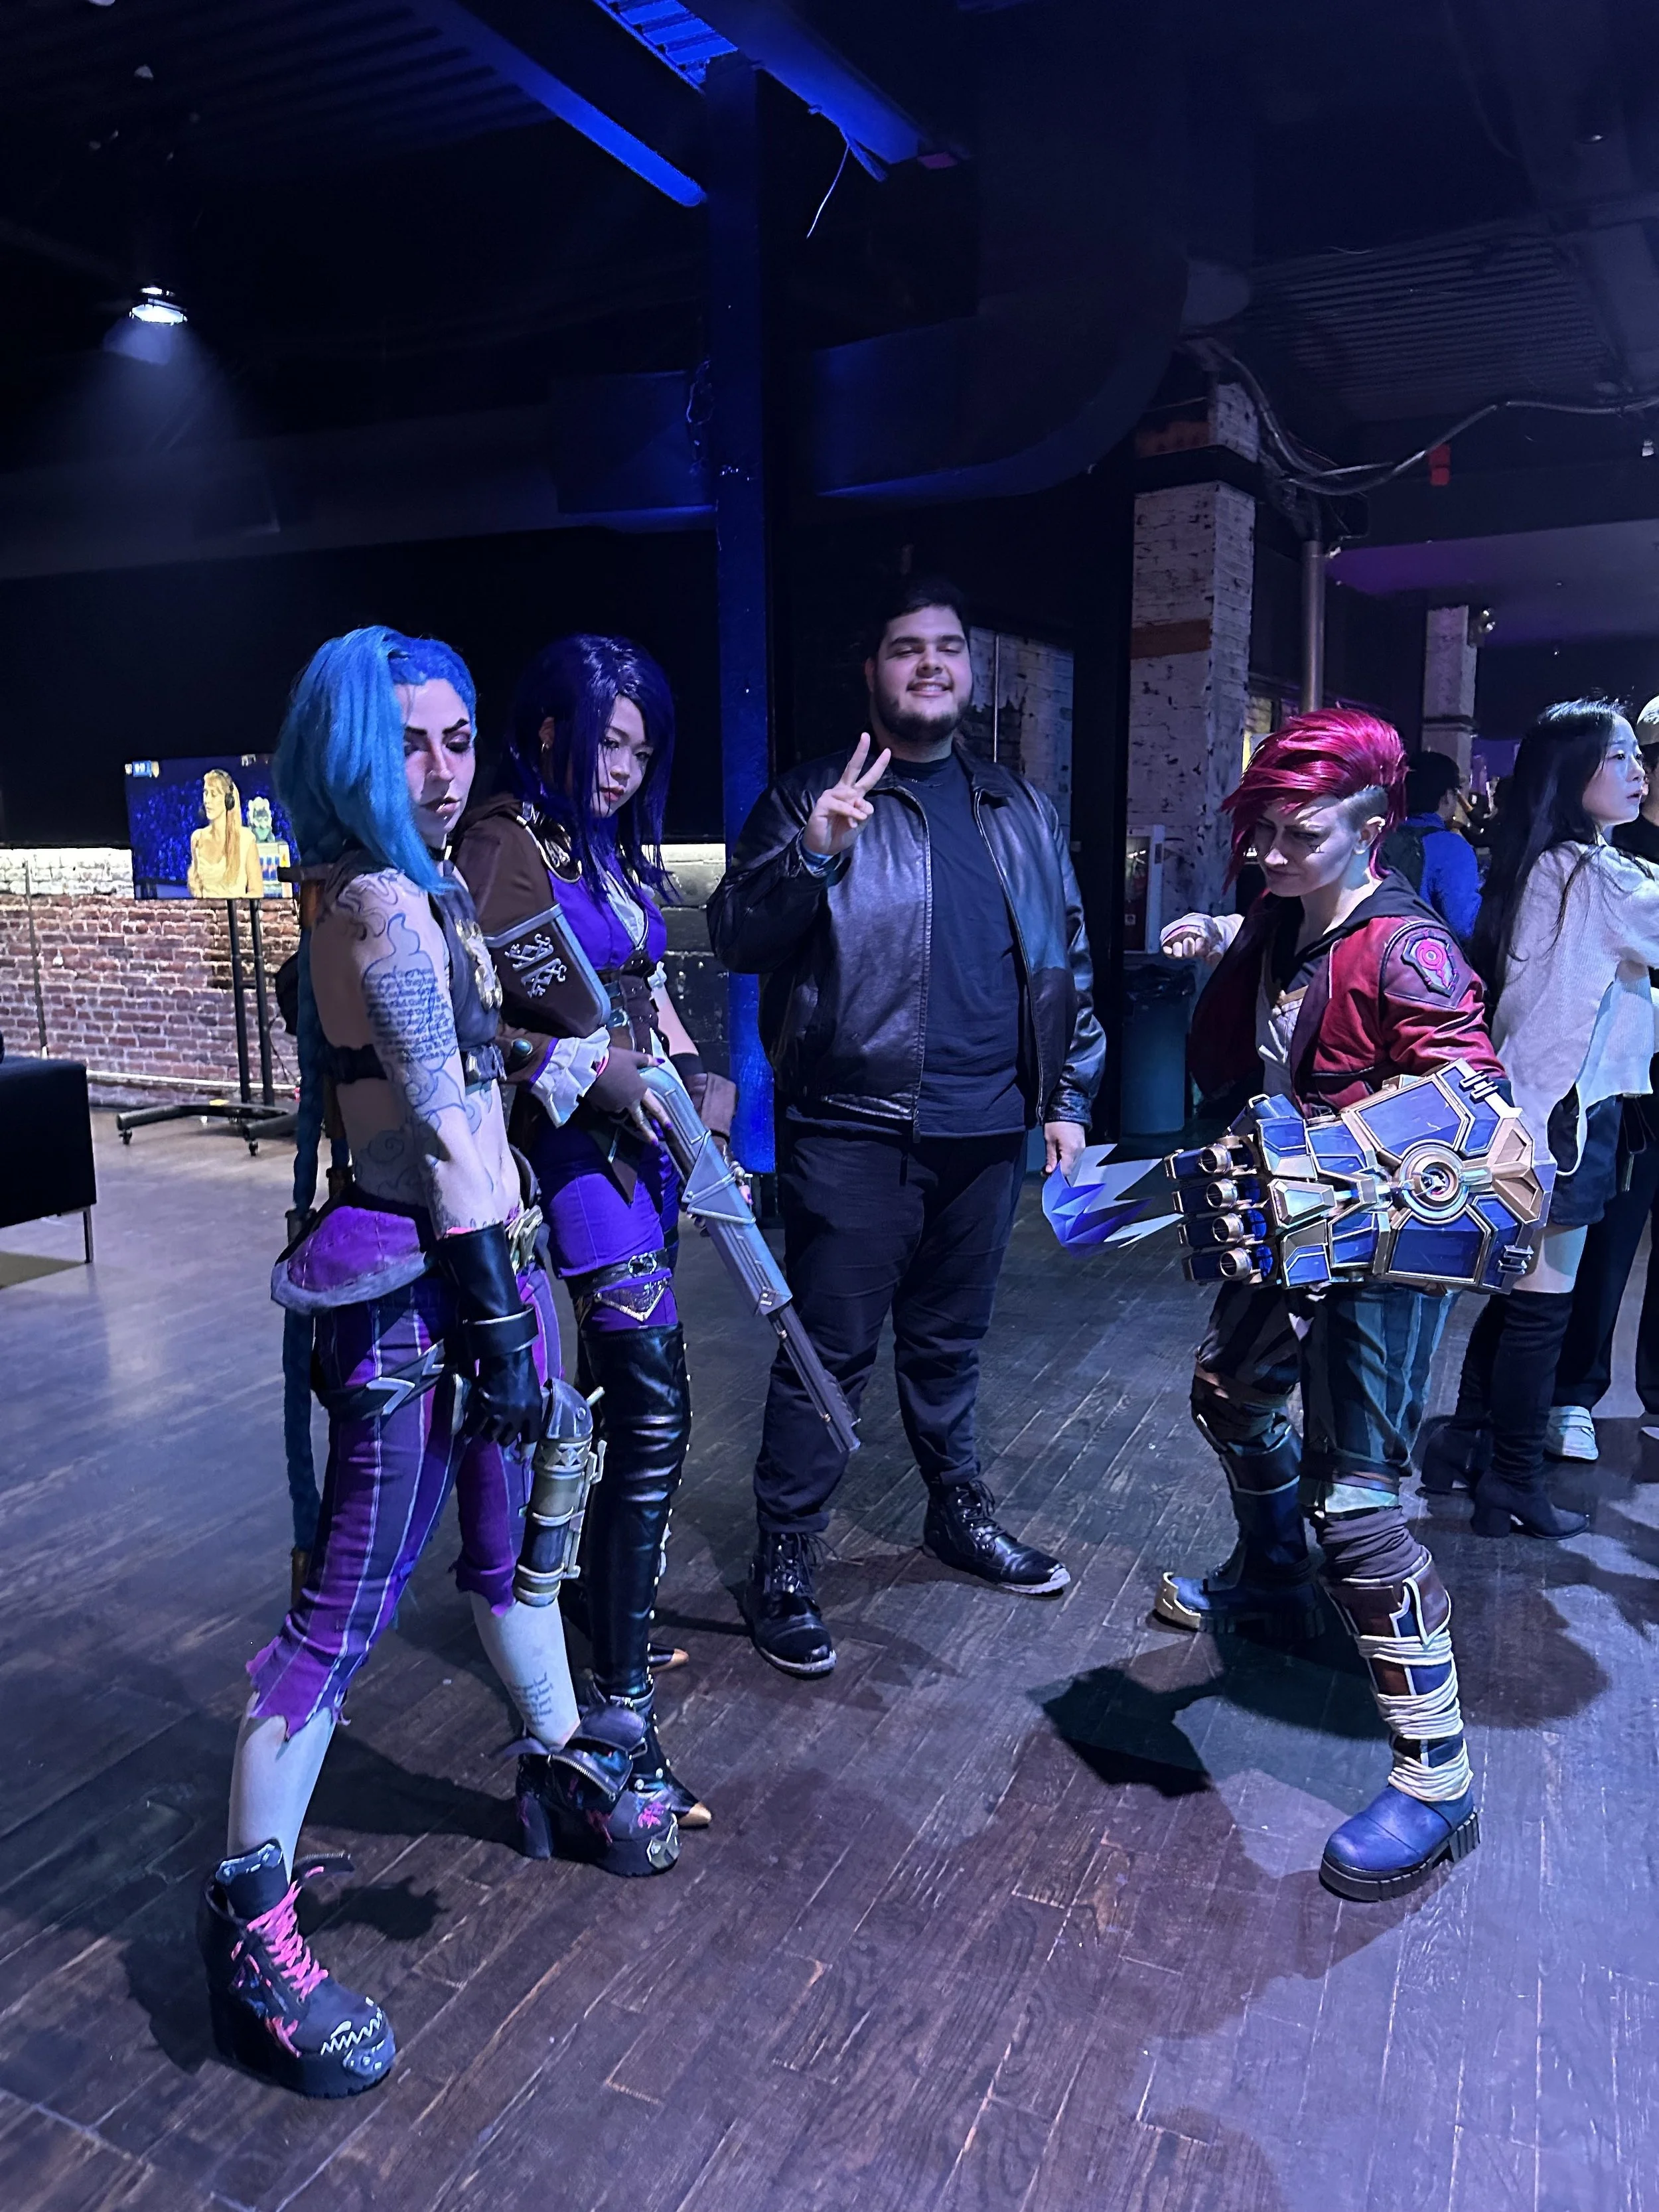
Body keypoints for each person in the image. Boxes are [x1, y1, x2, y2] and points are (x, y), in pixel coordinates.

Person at [198, 629, 676, 2104]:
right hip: (424, 1281)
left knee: (514, 1556)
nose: (444, 764)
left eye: (460, 737)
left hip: (482, 1264)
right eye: (409, 740)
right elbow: (456, 1128)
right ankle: (252, 1926)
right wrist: (490, 1315)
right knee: (343, 1613)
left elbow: (490, 1075)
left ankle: (557, 1758)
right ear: (346, 748)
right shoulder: (389, 904)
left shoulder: (400, 890)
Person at [707, 576, 1103, 1678]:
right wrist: (816, 849)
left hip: (986, 1130)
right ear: (871, 671)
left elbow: (1064, 950)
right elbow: (739, 933)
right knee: (825, 1355)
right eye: (905, 648)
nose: (930, 663)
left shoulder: (1017, 806)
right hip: (852, 1126)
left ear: (968, 671)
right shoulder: (810, 796)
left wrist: (1067, 1094)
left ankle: (956, 1511)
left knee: (949, 1344)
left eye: (947, 648)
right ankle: (787, 1553)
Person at [1157, 708, 1503, 1901]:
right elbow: (1270, 1027)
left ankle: (1437, 1776)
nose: (1264, 852)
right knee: (1232, 1398)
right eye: (1259, 831)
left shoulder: (1405, 947)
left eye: (1295, 833)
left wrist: (1340, 1149)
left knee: (1357, 1504)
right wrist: (1230, 939)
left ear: (1373, 832)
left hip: (1378, 1250)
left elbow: (1476, 1106)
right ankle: (1269, 1577)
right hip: (1287, 1232)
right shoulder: (1290, 917)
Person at [454, 634, 729, 1831]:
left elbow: (642, 984)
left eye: (643, 747)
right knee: (650, 1402)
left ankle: (607, 1632)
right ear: (554, 725)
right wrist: (585, 1068)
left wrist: (695, 1078)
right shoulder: (501, 839)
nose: (624, 766)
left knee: (630, 1413)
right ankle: (618, 1705)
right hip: (558, 1161)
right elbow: (466, 1030)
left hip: (641, 1152)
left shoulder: (600, 846)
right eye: (608, 738)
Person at [1425, 701, 1659, 1524]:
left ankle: (1465, 1444)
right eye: (1621, 757)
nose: (1639, 772)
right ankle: (1512, 1483)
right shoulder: (1600, 877)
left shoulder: (1545, 862)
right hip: (1563, 1115)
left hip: (1530, 1107)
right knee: (1541, 1303)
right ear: (1572, 774)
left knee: (1523, 1292)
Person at [1546, 701, 1659, 1458]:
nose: (1638, 774)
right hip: (1626, 1076)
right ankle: (1571, 1394)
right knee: (1607, 1236)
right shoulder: (1614, 849)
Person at [1377, 750, 1481, 940]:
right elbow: (1464, 925)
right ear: (1448, 796)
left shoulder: (1380, 838)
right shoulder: (1451, 848)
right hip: (1425, 960)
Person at [187, 767, 265, 898]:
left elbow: (257, 892)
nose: (207, 800)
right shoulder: (197, 838)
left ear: (228, 801)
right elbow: (196, 883)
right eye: (206, 793)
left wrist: (234, 907)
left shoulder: (246, 840)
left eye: (214, 794)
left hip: (235, 916)